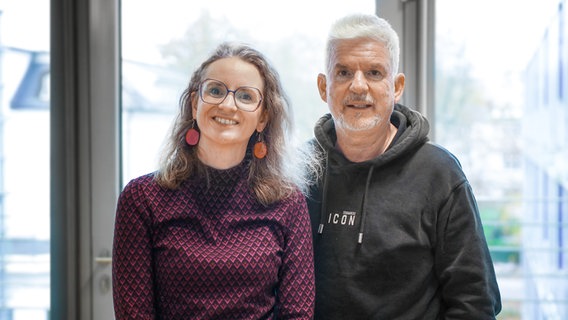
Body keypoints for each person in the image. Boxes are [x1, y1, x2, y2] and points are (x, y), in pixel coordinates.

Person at [305, 14, 502, 319]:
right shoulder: (300, 172)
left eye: (373, 73)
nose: (358, 86)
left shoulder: (440, 175)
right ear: (323, 86)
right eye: (343, 72)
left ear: (396, 87)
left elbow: (475, 301)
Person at [112, 42, 315, 319]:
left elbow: (298, 316)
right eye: (216, 91)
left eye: (245, 96)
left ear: (263, 117)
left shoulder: (288, 203)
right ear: (196, 103)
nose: (227, 105)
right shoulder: (142, 198)